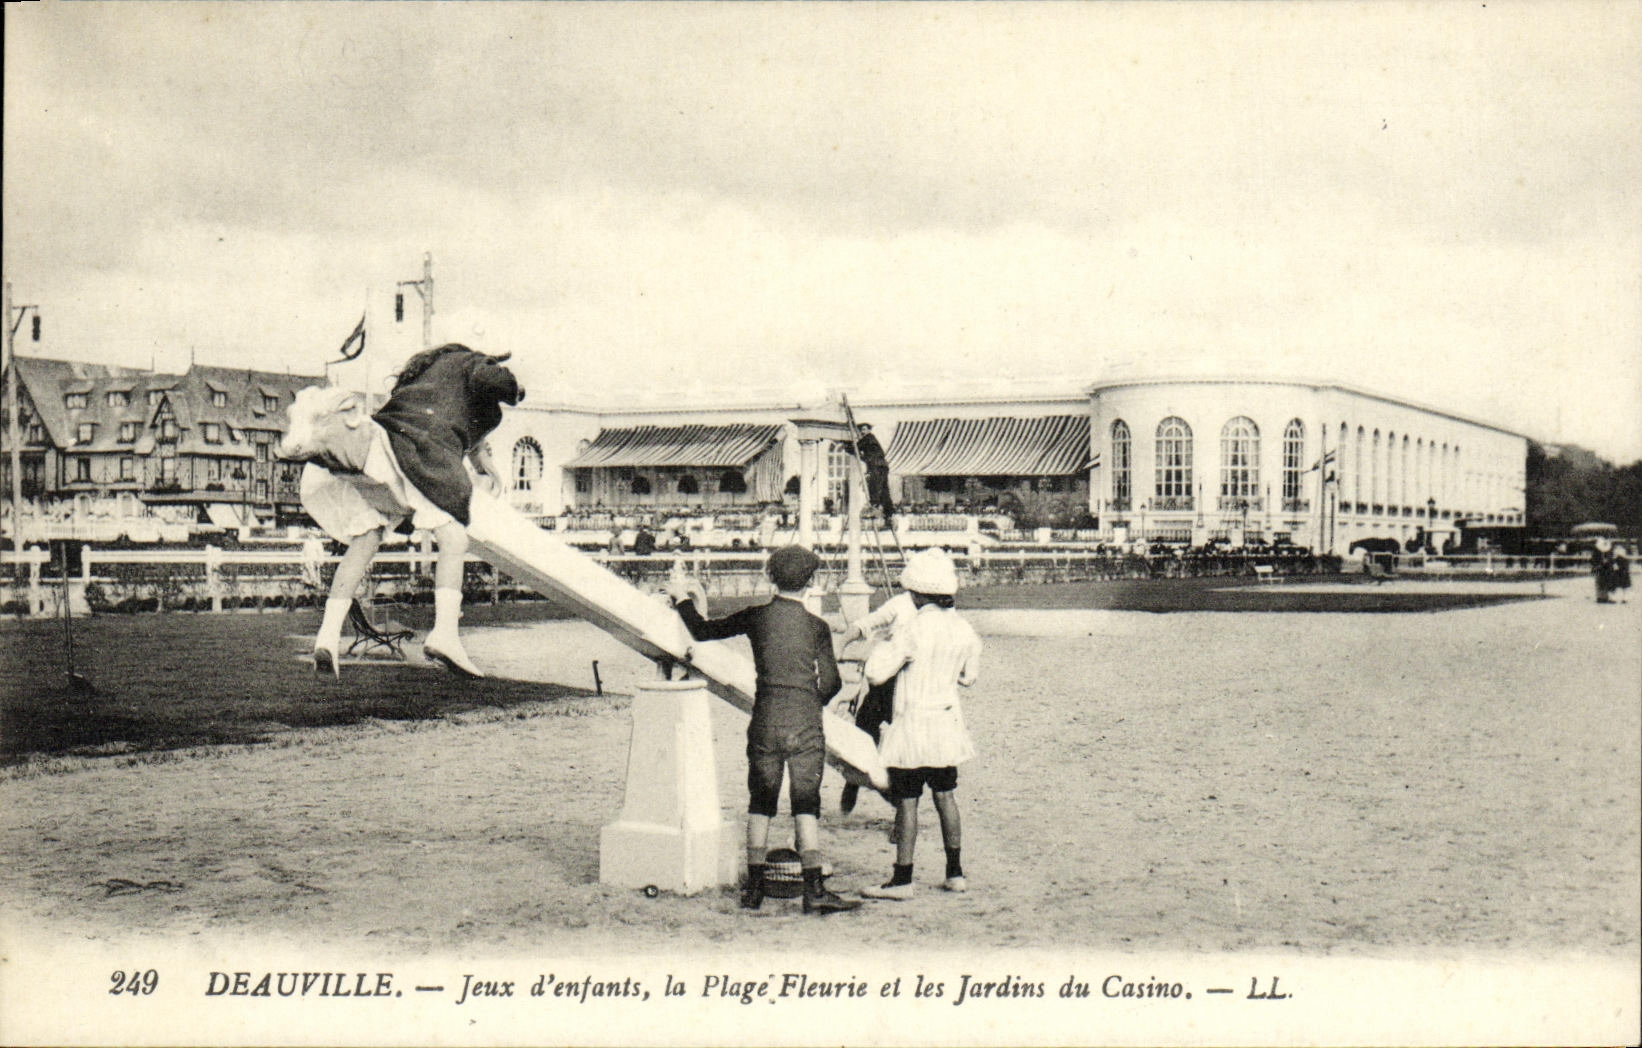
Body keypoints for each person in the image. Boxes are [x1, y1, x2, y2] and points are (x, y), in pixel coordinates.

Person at [283, 344, 524, 679]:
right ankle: (445, 634)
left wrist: (483, 459)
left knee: (365, 540)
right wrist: (514, 388)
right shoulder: (470, 363)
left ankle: (327, 634)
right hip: (412, 451)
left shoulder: (424, 381)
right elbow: (494, 381)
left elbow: (467, 433)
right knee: (453, 537)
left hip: (377, 452)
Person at [665, 546, 861, 915]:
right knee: (806, 802)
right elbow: (833, 683)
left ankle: (754, 888)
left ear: (770, 576)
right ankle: (814, 887)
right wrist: (807, 700)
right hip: (804, 720)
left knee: (762, 799)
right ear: (811, 581)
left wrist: (681, 600)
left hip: (766, 715)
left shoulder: (758, 617)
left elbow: (704, 631)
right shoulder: (816, 626)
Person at [860, 548, 982, 900]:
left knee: (908, 800)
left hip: (913, 724)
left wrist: (885, 650)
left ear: (915, 593)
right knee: (946, 796)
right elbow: (969, 677)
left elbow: (875, 673)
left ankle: (903, 879)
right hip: (945, 721)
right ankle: (955, 872)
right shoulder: (964, 629)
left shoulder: (912, 628)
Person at [835, 583, 921, 814]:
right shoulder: (901, 604)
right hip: (885, 682)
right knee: (864, 730)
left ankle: (901, 813)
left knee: (904, 749)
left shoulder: (940, 613)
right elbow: (867, 624)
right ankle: (853, 781)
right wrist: (842, 643)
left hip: (915, 688)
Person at [849, 423, 895, 527]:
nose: (862, 432)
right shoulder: (872, 441)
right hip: (882, 465)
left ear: (869, 430)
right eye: (861, 430)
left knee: (874, 485)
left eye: (864, 429)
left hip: (876, 466)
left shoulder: (868, 438)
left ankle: (874, 506)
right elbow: (864, 456)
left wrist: (846, 446)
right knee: (884, 490)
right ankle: (889, 513)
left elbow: (855, 448)